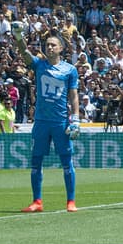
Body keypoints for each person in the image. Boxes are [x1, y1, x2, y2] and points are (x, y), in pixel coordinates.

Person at [13, 23, 80, 213]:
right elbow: (25, 52)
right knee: (36, 161)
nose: (49, 47)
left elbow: (73, 95)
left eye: (53, 45)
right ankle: (37, 201)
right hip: (41, 121)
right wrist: (18, 36)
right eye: (47, 45)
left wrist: (75, 119)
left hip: (60, 122)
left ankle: (71, 201)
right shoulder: (39, 65)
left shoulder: (69, 70)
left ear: (61, 48)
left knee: (67, 161)